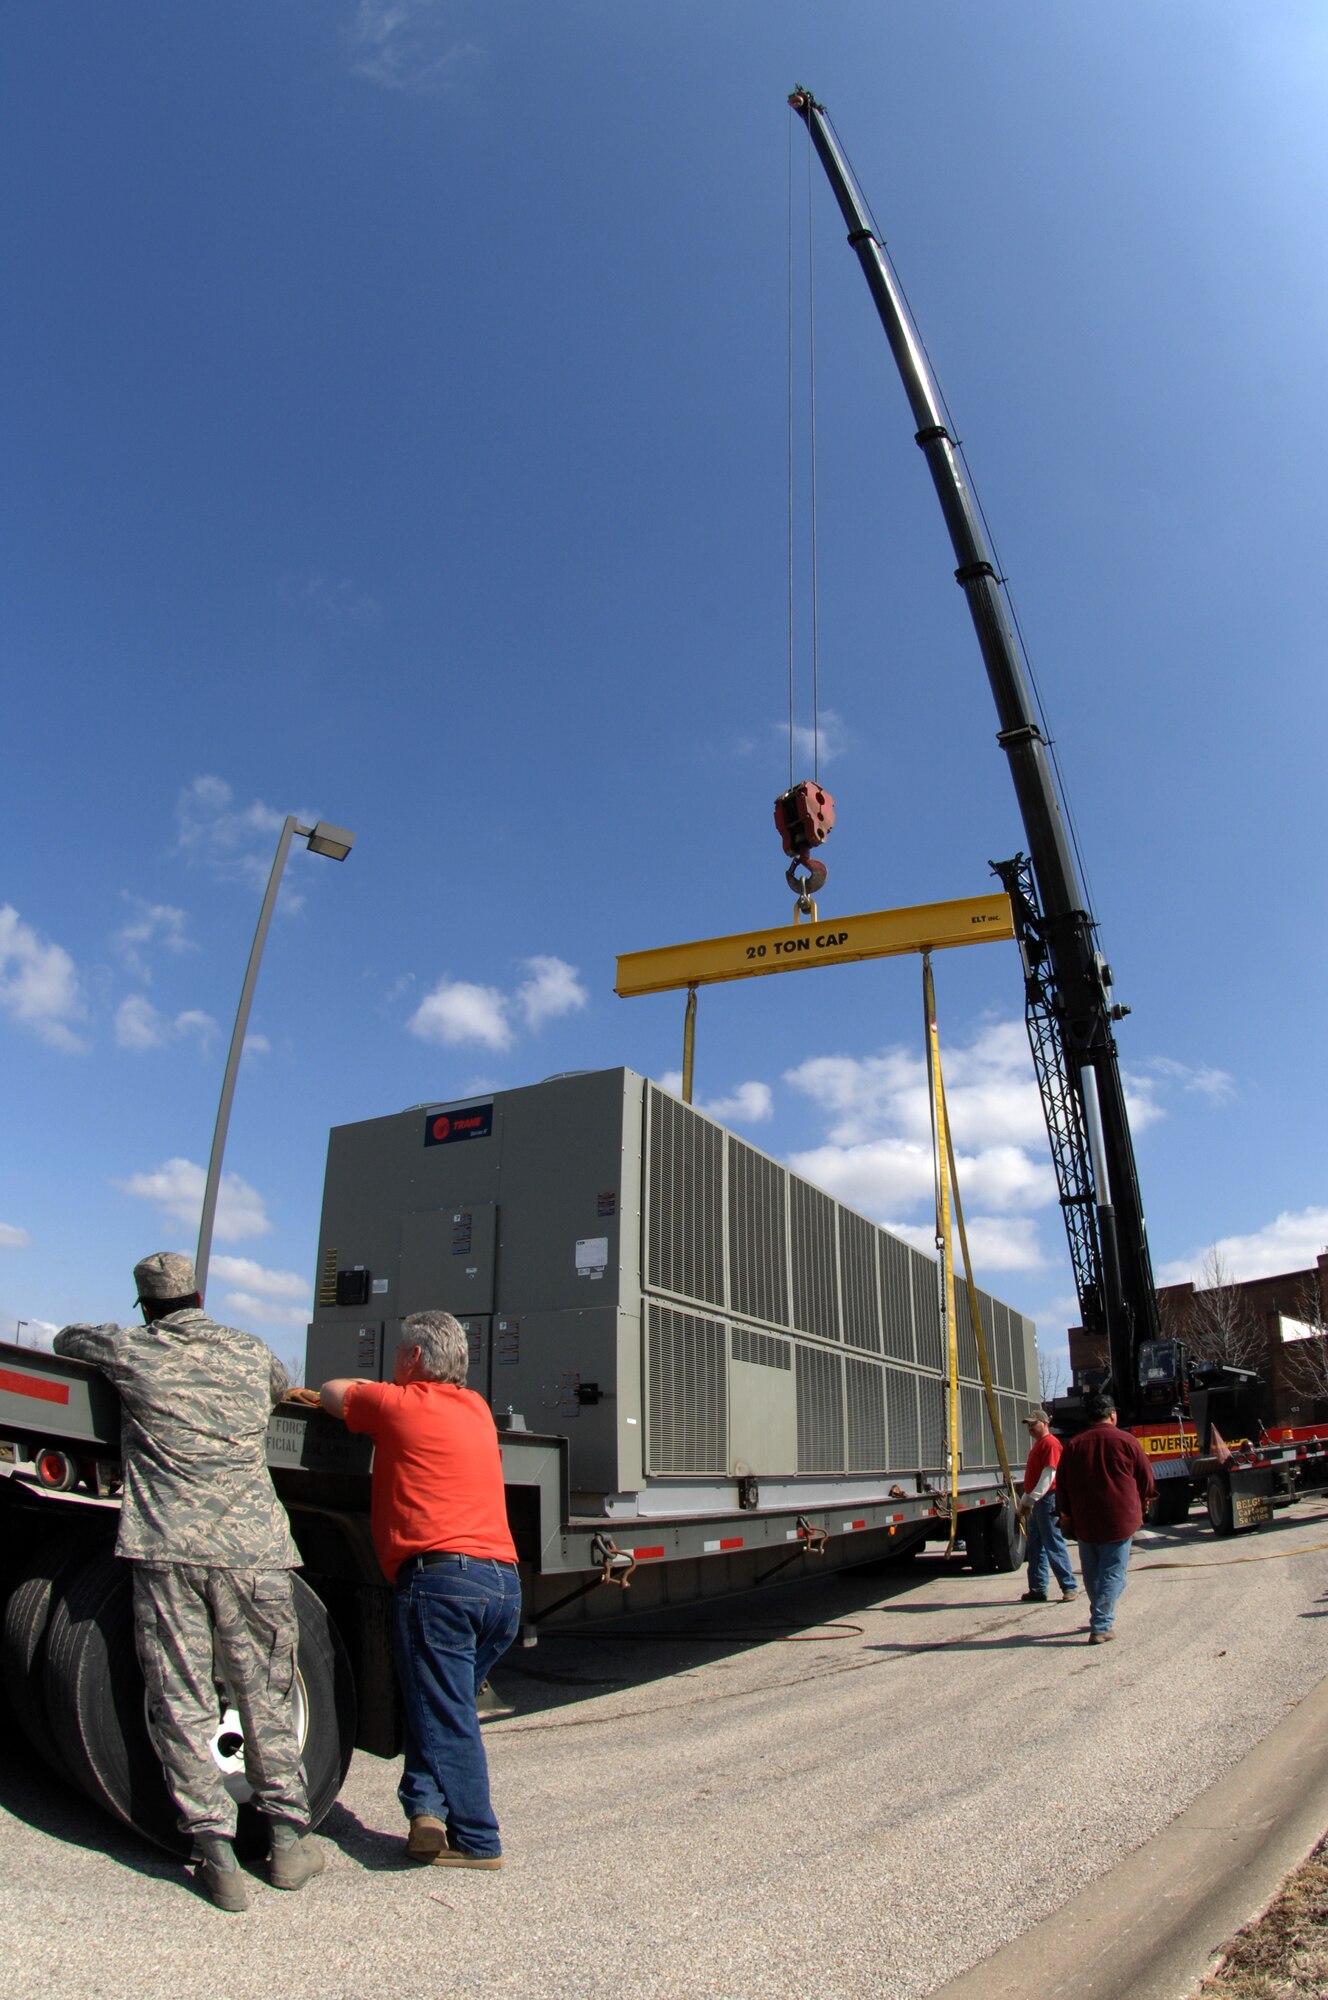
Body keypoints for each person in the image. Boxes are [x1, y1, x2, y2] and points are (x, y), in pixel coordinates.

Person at [53, 1251, 322, 1911]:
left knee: (180, 1696)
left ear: (147, 1305)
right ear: (199, 1296)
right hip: (254, 1550)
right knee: (265, 1689)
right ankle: (287, 1842)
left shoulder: (132, 1350)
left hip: (170, 1548)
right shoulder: (251, 1351)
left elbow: (67, 1341)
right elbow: (280, 1384)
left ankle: (218, 1855)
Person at [318, 1310, 520, 1869]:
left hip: (442, 1582)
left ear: (411, 1359)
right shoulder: (477, 1408)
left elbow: (333, 1392)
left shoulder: (398, 1404)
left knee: (446, 1714)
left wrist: (369, 1390)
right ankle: (425, 1813)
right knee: (439, 1705)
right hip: (503, 1586)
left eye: (397, 1352)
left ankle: (479, 1840)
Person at [1055, 1390, 1156, 1644]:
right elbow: (1146, 1478)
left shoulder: (1074, 1445)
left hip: (1085, 1521)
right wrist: (1146, 1499)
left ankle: (1100, 1609)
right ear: (1113, 1415)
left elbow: (1062, 1485)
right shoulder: (1127, 1441)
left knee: (1092, 1574)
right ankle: (1101, 1623)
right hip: (1119, 1520)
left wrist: (1065, 1514)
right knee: (1114, 1573)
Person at [1016, 1407, 1078, 1605]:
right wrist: (1027, 1498)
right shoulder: (1039, 1445)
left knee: (1052, 1543)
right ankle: (1037, 1588)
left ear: (1045, 1423)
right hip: (1039, 1500)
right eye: (1029, 1426)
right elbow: (1036, 1476)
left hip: (1047, 1499)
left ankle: (1069, 1586)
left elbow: (1049, 1475)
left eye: (1034, 1424)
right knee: (1035, 1546)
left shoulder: (1050, 1444)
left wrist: (1030, 1499)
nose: (1031, 1429)